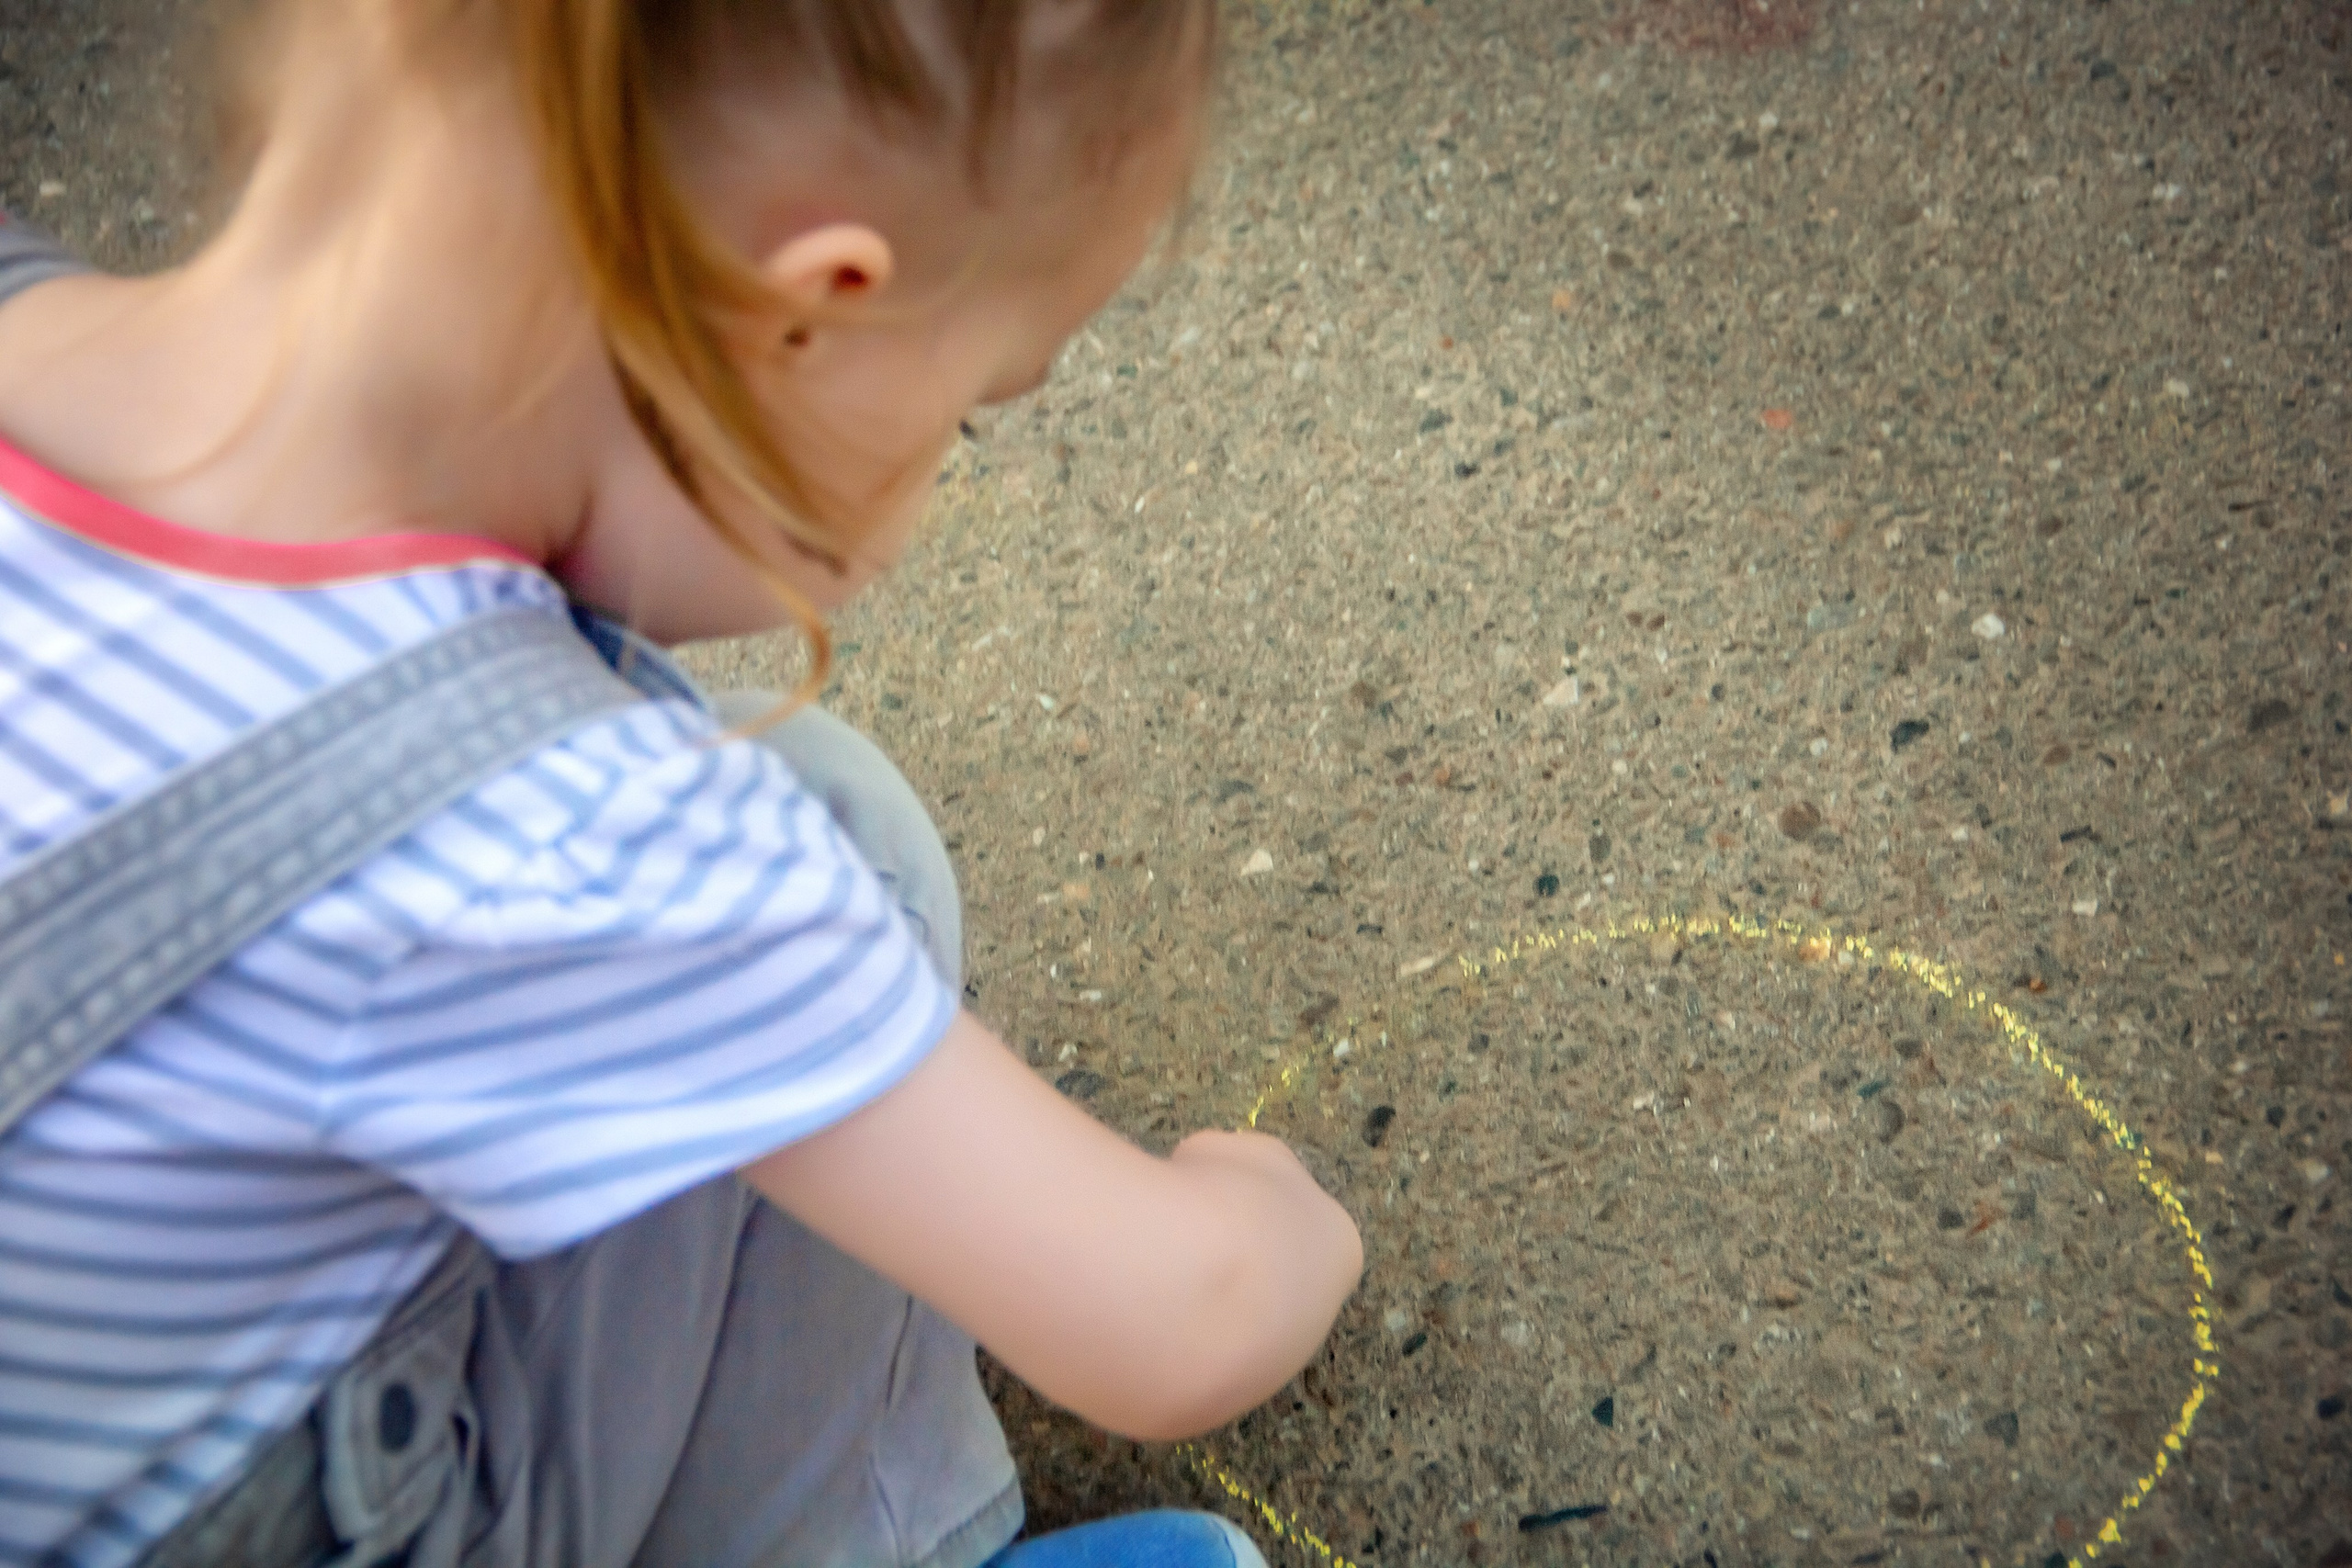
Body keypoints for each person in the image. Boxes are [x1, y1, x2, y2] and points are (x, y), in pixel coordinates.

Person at [0, 3, 1364, 1565]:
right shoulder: (556, 831)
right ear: (811, 318)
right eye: (969, 408)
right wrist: (1270, 1216)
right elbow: (1172, 1319)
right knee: (850, 850)